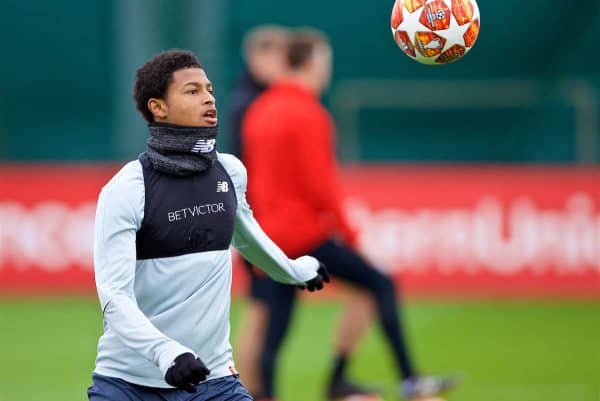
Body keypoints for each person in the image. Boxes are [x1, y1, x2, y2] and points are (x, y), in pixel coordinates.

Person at [87, 49, 330, 401]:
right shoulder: (127, 188)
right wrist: (166, 352)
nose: (208, 98)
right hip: (127, 385)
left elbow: (247, 239)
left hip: (214, 381)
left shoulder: (230, 171)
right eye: (192, 91)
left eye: (209, 89)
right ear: (158, 107)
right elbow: (114, 297)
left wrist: (293, 270)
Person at [242, 30, 455, 400]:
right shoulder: (309, 113)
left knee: (277, 324)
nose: (326, 72)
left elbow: (257, 179)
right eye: (324, 63)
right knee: (379, 283)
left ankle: (267, 395)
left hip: (270, 236)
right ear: (310, 62)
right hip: (304, 235)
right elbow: (322, 188)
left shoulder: (258, 111)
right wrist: (353, 238)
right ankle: (405, 380)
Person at [227, 26, 293, 396]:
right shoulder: (251, 104)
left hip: (254, 219)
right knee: (261, 314)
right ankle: (250, 391)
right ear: (259, 58)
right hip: (257, 221)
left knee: (260, 311)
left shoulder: (250, 99)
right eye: (278, 57)